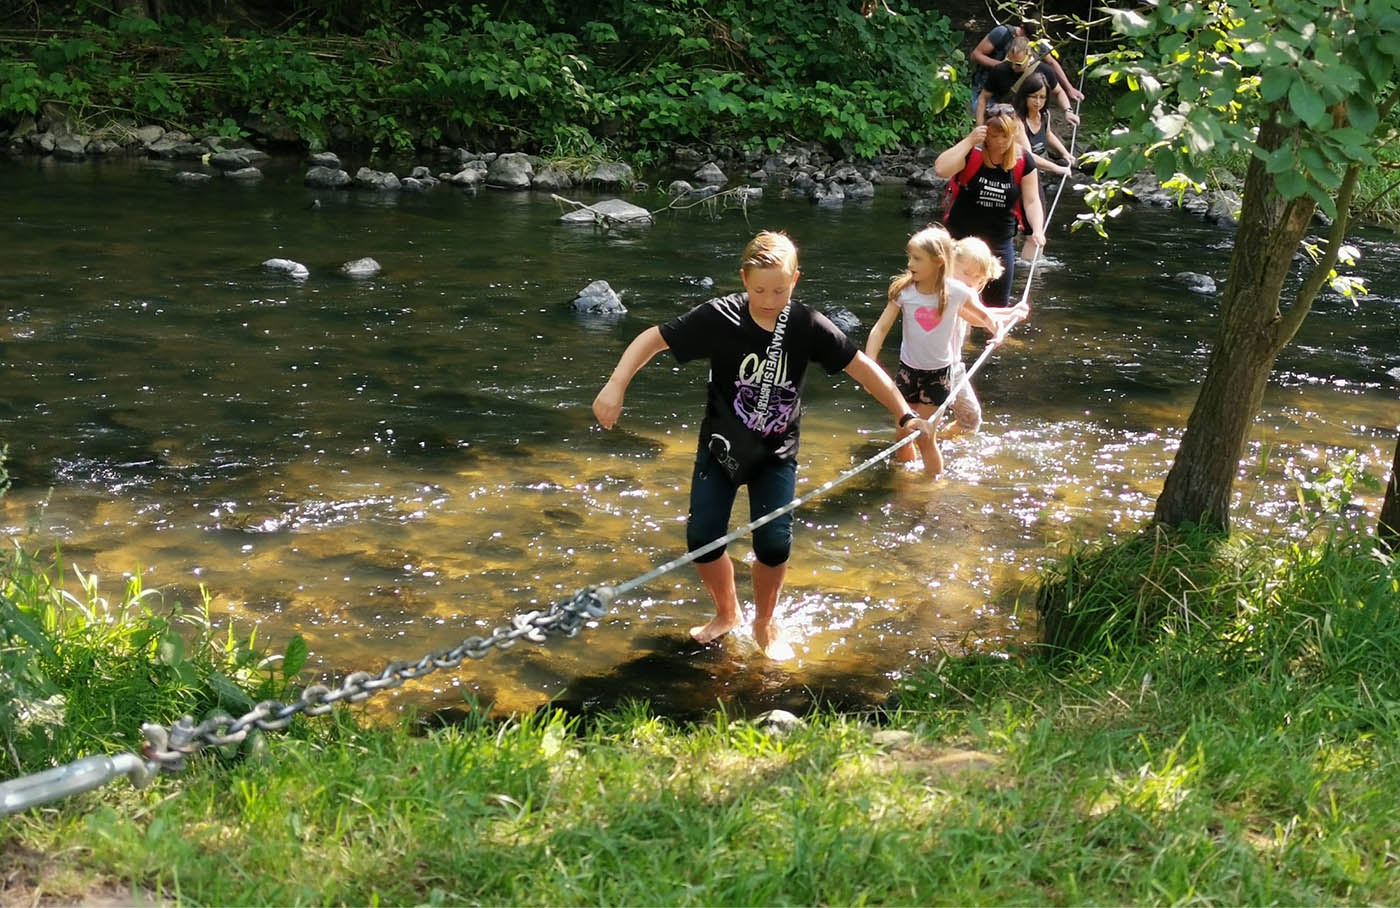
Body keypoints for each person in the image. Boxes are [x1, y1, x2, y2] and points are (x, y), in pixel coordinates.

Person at [592, 231, 939, 661]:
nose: (769, 298)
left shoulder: (806, 325)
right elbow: (653, 339)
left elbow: (862, 368)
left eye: (779, 289)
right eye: (758, 289)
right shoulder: (721, 317)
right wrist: (615, 385)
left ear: (795, 280)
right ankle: (727, 612)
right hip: (721, 448)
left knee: (773, 544)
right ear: (743, 279)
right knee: (702, 538)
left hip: (775, 455)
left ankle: (764, 620)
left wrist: (903, 413)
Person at [864, 227, 1025, 460]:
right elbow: (975, 316)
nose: (974, 283)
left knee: (961, 421)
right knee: (923, 426)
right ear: (948, 263)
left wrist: (1006, 317)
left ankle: (938, 448)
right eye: (968, 274)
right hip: (926, 367)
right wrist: (1006, 315)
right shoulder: (936, 291)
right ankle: (925, 453)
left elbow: (980, 315)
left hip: (947, 369)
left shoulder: (958, 292)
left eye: (979, 279)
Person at [935, 106, 1046, 308]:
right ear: (986, 133)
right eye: (994, 136)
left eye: (1005, 136)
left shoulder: (1023, 161)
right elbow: (941, 169)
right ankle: (961, 339)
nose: (1000, 142)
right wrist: (969, 141)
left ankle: (992, 340)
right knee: (956, 306)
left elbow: (1031, 200)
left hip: (999, 243)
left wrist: (1037, 229)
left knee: (996, 308)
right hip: (961, 242)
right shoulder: (972, 154)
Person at [969, 17, 1082, 108]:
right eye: (1026, 36)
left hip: (1011, 95)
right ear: (1021, 27)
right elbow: (976, 55)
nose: (1028, 42)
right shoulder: (1002, 33)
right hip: (986, 86)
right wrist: (1005, 66)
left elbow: (1051, 63)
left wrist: (1069, 88)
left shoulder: (1036, 42)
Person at [976, 36, 1079, 128]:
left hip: (1033, 123)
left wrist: (1068, 111)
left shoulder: (1044, 70)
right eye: (1010, 61)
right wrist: (979, 126)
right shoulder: (999, 70)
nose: (1013, 67)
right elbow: (983, 97)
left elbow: (1059, 92)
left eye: (1018, 64)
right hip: (1007, 123)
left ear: (1029, 56)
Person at [1014, 71, 1074, 182]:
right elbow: (1028, 156)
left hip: (1042, 169)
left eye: (1042, 97)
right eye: (1034, 97)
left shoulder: (1045, 114)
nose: (1038, 102)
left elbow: (1048, 135)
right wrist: (1057, 169)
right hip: (1023, 173)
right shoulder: (1017, 121)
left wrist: (1065, 154)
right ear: (1025, 96)